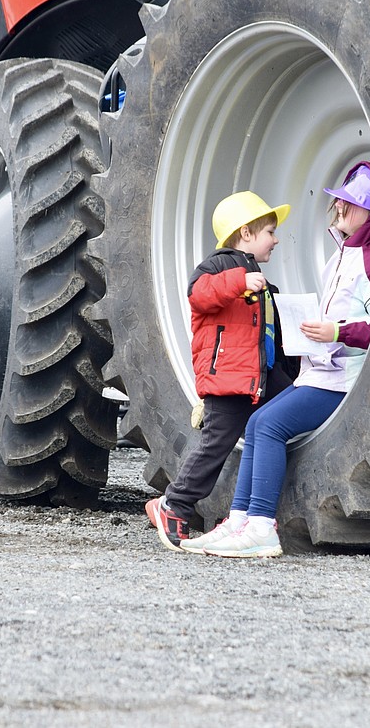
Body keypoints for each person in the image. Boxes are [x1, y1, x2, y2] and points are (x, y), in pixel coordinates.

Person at [183, 161, 370, 558]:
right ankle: (240, 521)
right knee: (257, 422)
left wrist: (337, 333)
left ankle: (261, 526)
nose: (340, 209)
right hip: (322, 371)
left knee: (269, 425)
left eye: (351, 204)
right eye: (340, 202)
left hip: (344, 377)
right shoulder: (339, 258)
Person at [145, 191, 296, 551]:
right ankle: (173, 505)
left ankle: (245, 517)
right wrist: (240, 283)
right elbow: (199, 294)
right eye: (270, 232)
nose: (275, 239)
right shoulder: (219, 267)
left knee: (286, 413)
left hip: (258, 378)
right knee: (216, 445)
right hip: (228, 380)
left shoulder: (257, 278)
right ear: (246, 233)